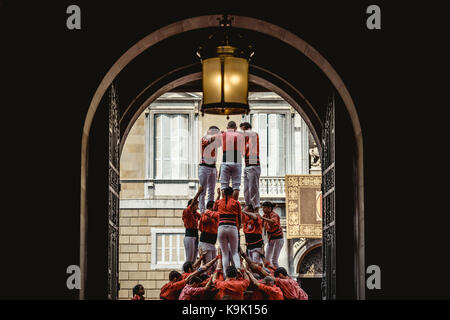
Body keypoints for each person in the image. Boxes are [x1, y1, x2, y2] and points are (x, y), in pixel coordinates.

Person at [214, 186, 242, 271]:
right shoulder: (236, 203)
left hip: (221, 227)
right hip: (232, 227)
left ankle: (226, 275)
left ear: (224, 193)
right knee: (234, 252)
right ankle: (238, 271)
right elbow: (240, 217)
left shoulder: (218, 202)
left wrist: (218, 196)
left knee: (225, 254)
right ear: (232, 193)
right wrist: (238, 227)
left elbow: (214, 210)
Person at [216, 121, 245, 200]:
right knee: (236, 186)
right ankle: (234, 204)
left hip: (226, 160)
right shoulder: (240, 135)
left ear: (227, 127)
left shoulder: (223, 135)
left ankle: (225, 205)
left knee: (224, 185)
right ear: (235, 128)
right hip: (237, 160)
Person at [240, 122, 261, 212]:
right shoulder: (246, 139)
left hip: (253, 164)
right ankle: (248, 204)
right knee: (246, 188)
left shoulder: (253, 134)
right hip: (247, 164)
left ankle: (255, 205)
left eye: (243, 130)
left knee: (253, 187)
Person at [198, 126, 220, 213]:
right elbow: (211, 140)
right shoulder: (204, 138)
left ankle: (211, 209)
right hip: (204, 166)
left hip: (212, 167)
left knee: (212, 191)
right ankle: (202, 211)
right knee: (203, 191)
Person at [198, 188, 221, 264]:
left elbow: (214, 209)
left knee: (214, 265)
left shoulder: (213, 215)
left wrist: (218, 196)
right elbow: (207, 218)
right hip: (205, 243)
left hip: (212, 244)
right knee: (208, 265)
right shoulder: (206, 215)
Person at [182, 185, 203, 263]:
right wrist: (198, 192)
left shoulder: (196, 214)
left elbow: (204, 216)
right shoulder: (187, 212)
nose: (197, 206)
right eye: (196, 205)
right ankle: (185, 273)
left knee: (194, 258)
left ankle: (191, 272)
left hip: (195, 235)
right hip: (189, 236)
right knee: (189, 258)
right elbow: (192, 204)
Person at [261, 201, 284, 268]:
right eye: (263, 208)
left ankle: (279, 274)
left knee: (274, 260)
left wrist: (262, 218)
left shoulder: (274, 215)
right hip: (271, 239)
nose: (263, 209)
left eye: (265, 208)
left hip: (278, 239)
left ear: (269, 208)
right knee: (267, 259)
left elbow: (272, 221)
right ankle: (270, 273)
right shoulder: (264, 216)